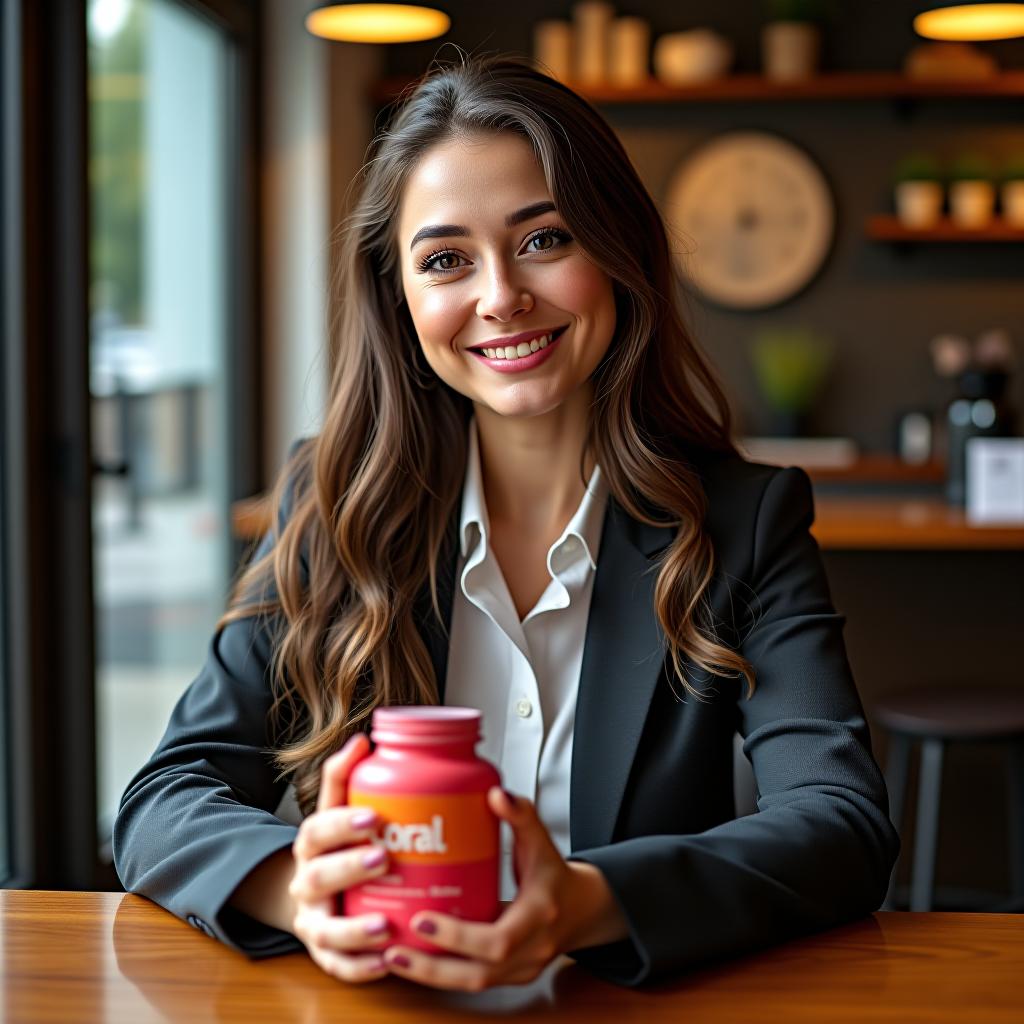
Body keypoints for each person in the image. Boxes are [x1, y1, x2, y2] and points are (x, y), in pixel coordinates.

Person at [113, 52, 898, 991]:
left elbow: (840, 820)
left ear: (618, 252)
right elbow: (166, 795)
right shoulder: (329, 505)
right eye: (446, 259)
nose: (498, 297)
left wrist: (586, 902)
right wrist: (299, 889)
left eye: (545, 238)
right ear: (400, 300)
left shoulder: (743, 519)